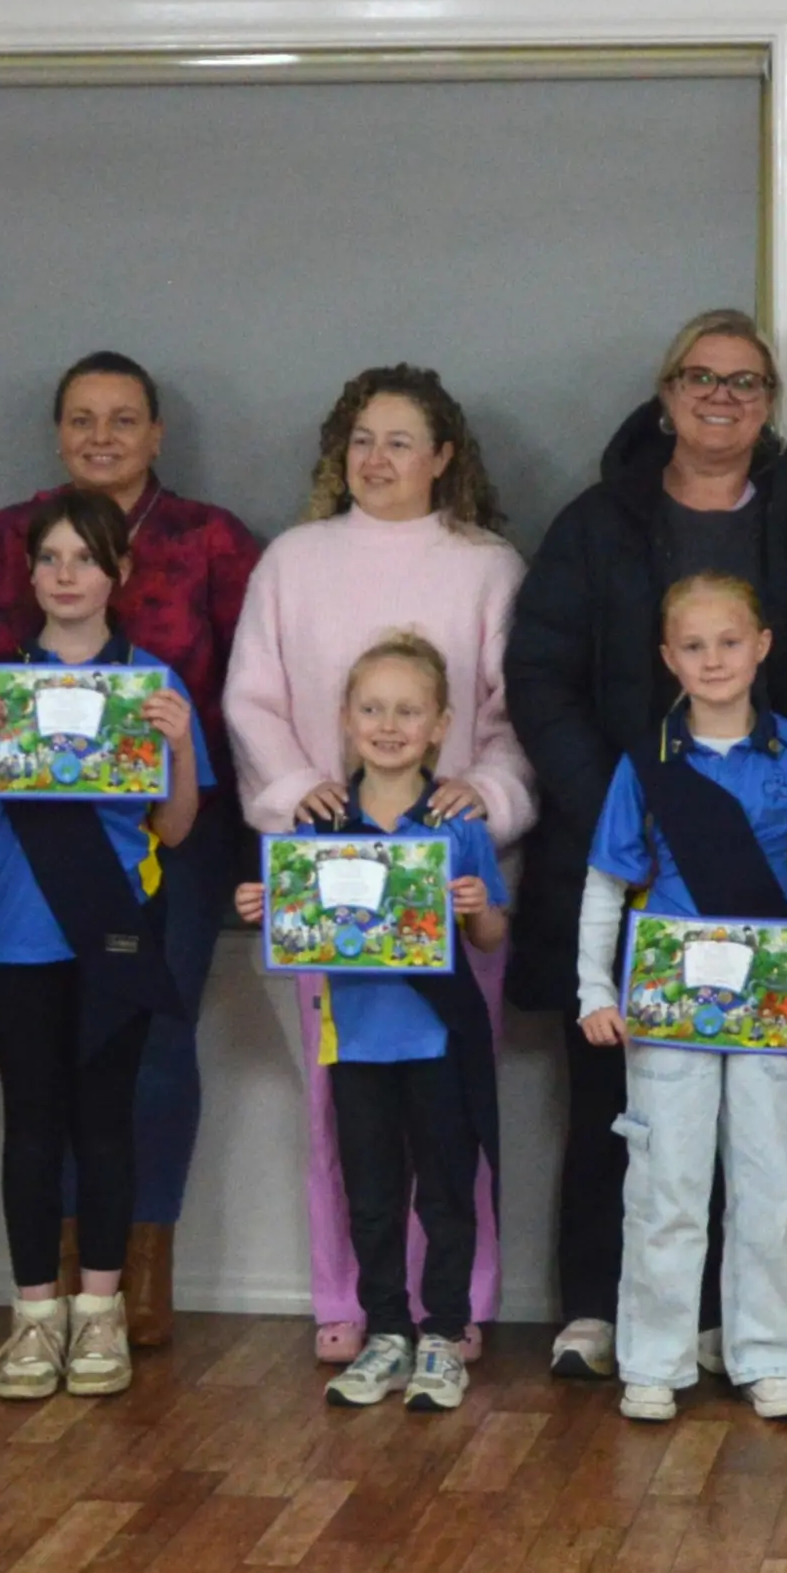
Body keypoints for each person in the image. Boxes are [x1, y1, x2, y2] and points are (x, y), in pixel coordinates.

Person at [507, 311, 787, 1383]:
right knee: (623, 1111)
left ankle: (728, 1328)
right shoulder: (595, 522)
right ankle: (600, 1314)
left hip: (768, 872)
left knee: (756, 1132)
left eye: (746, 382)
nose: (721, 396)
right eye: (701, 377)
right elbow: (540, 677)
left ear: (770, 402)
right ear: (666, 393)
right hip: (631, 856)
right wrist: (619, 796)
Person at [0, 350, 263, 1351]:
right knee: (33, 1104)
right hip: (21, 872)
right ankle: (44, 1299)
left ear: (156, 433)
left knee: (140, 1070)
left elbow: (244, 696)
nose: (103, 435)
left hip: (148, 862)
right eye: (82, 417)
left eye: (124, 418)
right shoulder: (0, 539)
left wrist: (170, 745)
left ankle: (120, 1285)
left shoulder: (211, 539)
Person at [222, 367, 533, 1365]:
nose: (377, 457)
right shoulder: (292, 560)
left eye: (401, 439)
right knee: (340, 1110)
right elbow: (251, 701)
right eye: (361, 437)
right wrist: (293, 792)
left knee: (452, 1109)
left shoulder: (488, 566)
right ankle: (353, 1298)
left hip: (446, 867)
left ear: (445, 456)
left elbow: (510, 713)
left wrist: (484, 794)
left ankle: (459, 1301)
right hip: (328, 872)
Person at [0, 491, 204, 1406]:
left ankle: (100, 1306)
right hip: (16, 937)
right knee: (31, 1124)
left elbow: (174, 831)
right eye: (49, 559)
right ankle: (33, 1314)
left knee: (105, 1123)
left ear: (116, 574)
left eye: (83, 560)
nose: (65, 575)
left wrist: (174, 745)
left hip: (116, 938)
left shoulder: (155, 687)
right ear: (31, 575)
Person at [572, 575, 787, 1425]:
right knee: (666, 1185)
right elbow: (607, 882)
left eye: (730, 641)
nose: (714, 659)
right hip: (666, 1010)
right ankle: (652, 1358)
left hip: (772, 1008)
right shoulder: (646, 761)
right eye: (693, 646)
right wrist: (594, 987)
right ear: (668, 659)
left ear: (762, 645)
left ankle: (767, 1354)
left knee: (772, 1186)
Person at [240, 632, 508, 1415]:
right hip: (353, 1039)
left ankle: (444, 1332)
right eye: (371, 708)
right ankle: (386, 1328)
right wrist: (259, 907)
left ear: (439, 723)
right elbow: (294, 931)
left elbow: (492, 936)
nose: (388, 724)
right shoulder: (318, 819)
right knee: (371, 1193)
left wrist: (476, 908)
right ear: (347, 718)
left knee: (449, 1192)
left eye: (408, 710)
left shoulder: (456, 819)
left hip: (440, 1040)